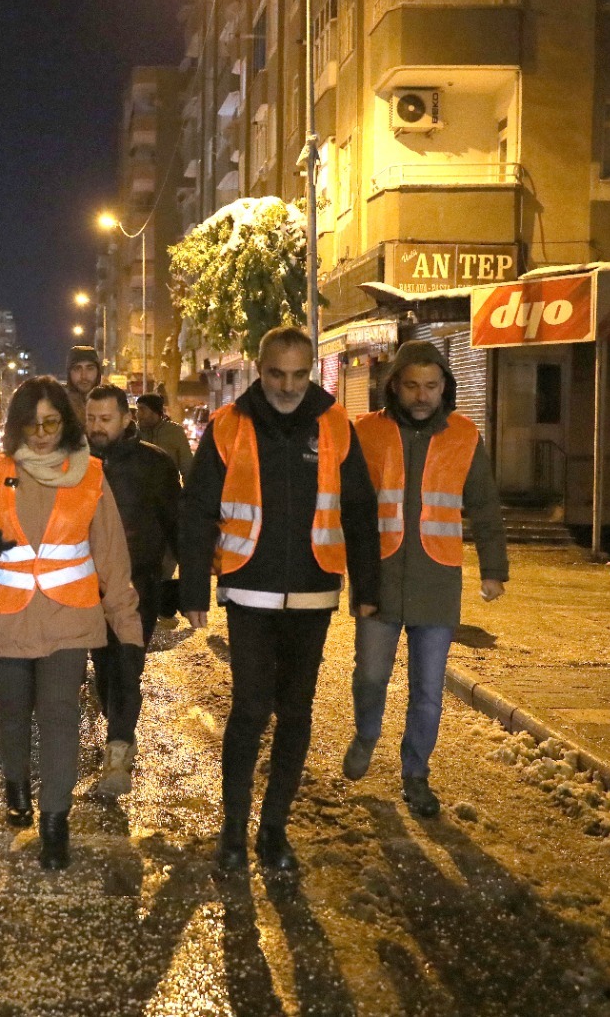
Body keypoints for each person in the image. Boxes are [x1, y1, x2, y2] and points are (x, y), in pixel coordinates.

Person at [181, 325, 381, 873]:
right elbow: (197, 511)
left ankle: (273, 832)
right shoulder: (229, 425)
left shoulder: (336, 424)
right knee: (250, 708)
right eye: (277, 374)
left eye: (299, 374)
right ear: (258, 369)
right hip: (249, 588)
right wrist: (193, 586)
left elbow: (361, 509)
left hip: (315, 592)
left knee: (296, 712)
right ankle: (232, 828)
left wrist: (368, 587)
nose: (288, 386)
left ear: (311, 370)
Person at [0, 376, 141, 870]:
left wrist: (127, 623)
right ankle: (15, 782)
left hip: (69, 617)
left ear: (66, 423)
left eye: (51, 423)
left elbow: (111, 554)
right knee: (12, 712)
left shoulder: (91, 474)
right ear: (17, 425)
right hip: (8, 615)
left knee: (60, 716)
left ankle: (56, 820)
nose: (40, 434)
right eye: (31, 424)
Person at [344, 340, 508, 817]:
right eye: (412, 385)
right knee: (370, 677)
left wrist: (494, 569)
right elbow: (349, 508)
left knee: (428, 695)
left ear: (444, 388)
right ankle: (366, 734)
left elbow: (483, 505)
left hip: (437, 581)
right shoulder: (365, 432)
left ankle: (416, 775)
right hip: (378, 578)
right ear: (394, 384)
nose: (421, 395)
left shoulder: (465, 435)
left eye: (431, 386)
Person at [84, 384, 180, 796]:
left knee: (127, 668)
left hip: (137, 585)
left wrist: (185, 585)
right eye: (90, 419)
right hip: (85, 589)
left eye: (105, 419)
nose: (96, 427)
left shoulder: (154, 465)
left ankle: (118, 748)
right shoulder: (75, 463)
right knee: (104, 672)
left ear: (127, 419)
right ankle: (118, 727)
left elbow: (176, 523)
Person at [134, 392, 194, 480]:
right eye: (138, 410)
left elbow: (187, 465)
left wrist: (190, 491)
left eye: (142, 410)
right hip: (139, 491)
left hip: (168, 490)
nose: (137, 414)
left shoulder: (174, 431)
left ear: (155, 411)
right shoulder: (134, 433)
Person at [63, 345, 101, 420]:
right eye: (77, 368)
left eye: (90, 368)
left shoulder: (109, 404)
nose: (84, 376)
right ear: (69, 372)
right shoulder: (58, 405)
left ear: (98, 372)